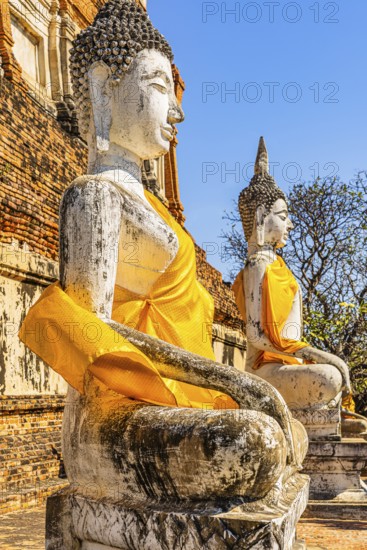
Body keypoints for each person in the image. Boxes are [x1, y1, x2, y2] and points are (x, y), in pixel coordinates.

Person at [19, 1, 307, 511]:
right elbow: (92, 337)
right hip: (109, 415)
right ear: (103, 87)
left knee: (284, 436)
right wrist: (226, 376)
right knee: (257, 443)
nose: (177, 111)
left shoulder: (150, 204)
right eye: (158, 87)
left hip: (162, 398)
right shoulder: (95, 196)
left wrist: (232, 383)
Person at [233, 137, 366, 433]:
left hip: (288, 364)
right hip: (264, 370)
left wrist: (308, 354)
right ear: (259, 217)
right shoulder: (257, 266)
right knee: (330, 376)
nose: (290, 224)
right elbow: (256, 337)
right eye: (283, 216)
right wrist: (313, 353)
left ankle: (329, 412)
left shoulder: (278, 266)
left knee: (332, 375)